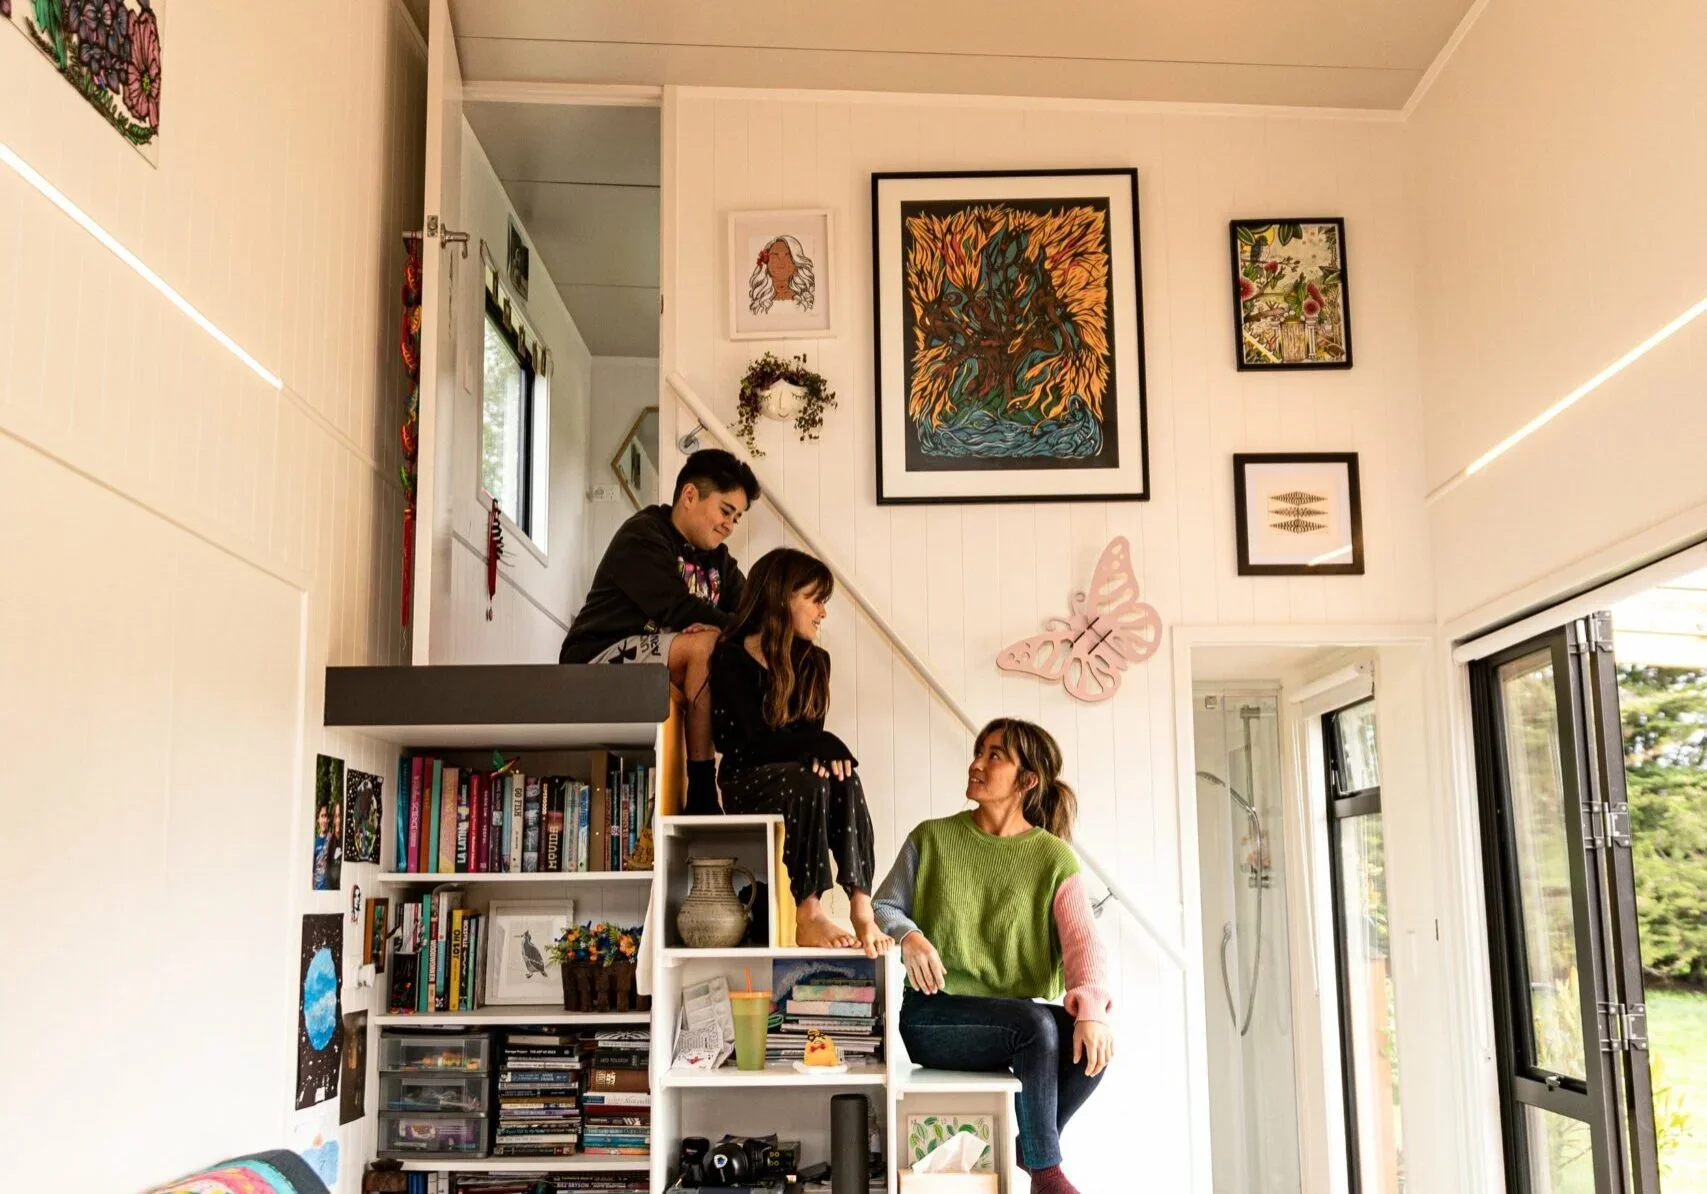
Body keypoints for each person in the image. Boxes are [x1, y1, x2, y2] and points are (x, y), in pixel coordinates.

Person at [873, 719, 1114, 1194]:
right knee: (1035, 1026)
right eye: (978, 751)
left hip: (1012, 1023)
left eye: (994, 755)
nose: (976, 763)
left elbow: (1083, 943)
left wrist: (1091, 1011)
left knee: (1093, 1045)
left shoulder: (1053, 857)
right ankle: (1045, 1173)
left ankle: (1032, 1145)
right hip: (933, 1017)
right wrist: (910, 936)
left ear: (1027, 781)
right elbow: (885, 905)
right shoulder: (933, 837)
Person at [710, 548, 890, 956]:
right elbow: (748, 741)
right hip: (745, 781)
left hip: (796, 782)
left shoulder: (814, 662)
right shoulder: (731, 656)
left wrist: (820, 748)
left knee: (844, 775)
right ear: (782, 596)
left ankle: (861, 904)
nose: (823, 612)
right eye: (815, 599)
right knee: (808, 778)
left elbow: (808, 744)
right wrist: (816, 746)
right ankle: (807, 911)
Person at [559, 449, 761, 814]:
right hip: (597, 656)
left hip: (660, 661)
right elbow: (678, 609)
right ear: (689, 495)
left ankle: (747, 774)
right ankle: (701, 790)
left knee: (730, 651)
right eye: (725, 511)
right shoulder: (644, 535)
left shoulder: (719, 561)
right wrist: (716, 629)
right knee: (707, 644)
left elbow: (750, 616)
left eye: (737, 517)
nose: (730, 525)